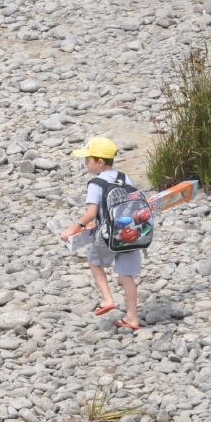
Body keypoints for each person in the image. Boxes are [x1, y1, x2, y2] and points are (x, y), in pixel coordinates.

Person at [59, 137, 141, 331]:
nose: (86, 163)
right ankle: (132, 317)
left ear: (100, 162)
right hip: (131, 231)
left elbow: (91, 213)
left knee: (94, 261)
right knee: (126, 275)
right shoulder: (124, 177)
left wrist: (72, 229)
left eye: (88, 159)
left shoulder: (96, 183)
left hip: (110, 233)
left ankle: (107, 298)